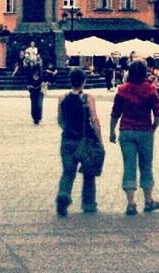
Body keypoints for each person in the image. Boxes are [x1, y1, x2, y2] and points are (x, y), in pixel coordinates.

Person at [108, 59, 159, 215]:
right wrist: (153, 128)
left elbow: (115, 113)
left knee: (129, 166)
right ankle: (148, 201)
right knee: (146, 165)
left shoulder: (122, 90)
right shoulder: (151, 89)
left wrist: (112, 130)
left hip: (126, 130)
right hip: (145, 131)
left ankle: (131, 203)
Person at [56, 67, 103, 216]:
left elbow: (60, 119)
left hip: (67, 140)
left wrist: (67, 129)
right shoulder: (88, 98)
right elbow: (94, 119)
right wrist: (100, 141)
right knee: (89, 173)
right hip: (86, 141)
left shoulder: (62, 98)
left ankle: (63, 194)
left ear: (70, 81)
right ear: (84, 81)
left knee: (68, 172)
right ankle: (88, 204)